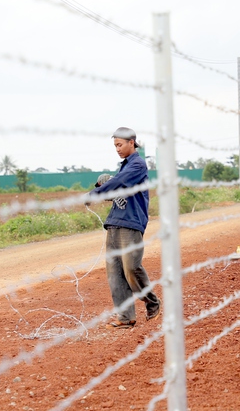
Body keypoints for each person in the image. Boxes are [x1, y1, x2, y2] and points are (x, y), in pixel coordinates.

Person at [88, 127, 161, 330]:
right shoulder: (123, 167)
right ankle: (126, 316)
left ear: (132, 142)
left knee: (131, 268)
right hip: (115, 222)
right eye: (115, 146)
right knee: (115, 273)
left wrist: (97, 192)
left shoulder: (137, 165)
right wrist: (103, 191)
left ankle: (152, 301)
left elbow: (120, 182)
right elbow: (118, 190)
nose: (117, 149)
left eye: (120, 145)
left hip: (131, 223)